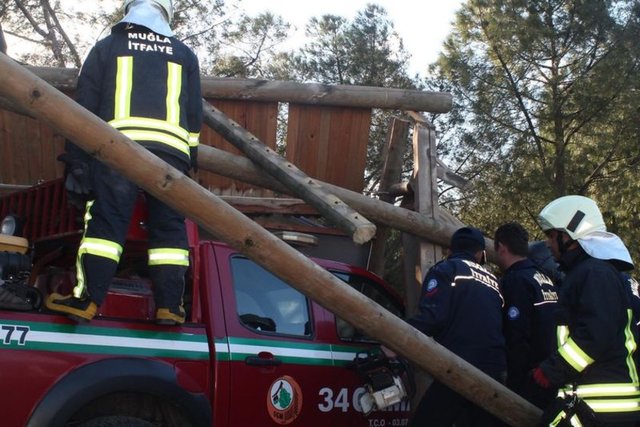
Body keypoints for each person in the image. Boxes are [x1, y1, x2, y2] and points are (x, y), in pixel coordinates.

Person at [45, 0, 202, 325]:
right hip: (172, 155)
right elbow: (193, 115)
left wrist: (77, 161)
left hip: (119, 150)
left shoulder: (108, 46)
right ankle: (170, 307)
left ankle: (86, 301)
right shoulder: (184, 54)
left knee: (107, 223)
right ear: (166, 15)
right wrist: (189, 159)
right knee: (169, 229)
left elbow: (84, 108)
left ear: (130, 11)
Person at [532, 195, 640, 426]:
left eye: (551, 235)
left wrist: (552, 370)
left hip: (603, 408)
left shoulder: (595, 273)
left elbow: (595, 333)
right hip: (595, 404)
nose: (547, 243)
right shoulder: (590, 271)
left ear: (570, 234)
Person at [389, 226, 506, 427]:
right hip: (495, 368)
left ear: (451, 250)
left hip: (460, 367)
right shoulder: (494, 282)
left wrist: (393, 340)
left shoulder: (447, 270)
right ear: (480, 253)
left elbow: (432, 318)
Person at [494, 222, 558, 408]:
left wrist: (513, 377)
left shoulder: (516, 280)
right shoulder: (543, 277)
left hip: (530, 377)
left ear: (501, 248)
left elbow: (517, 333)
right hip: (550, 369)